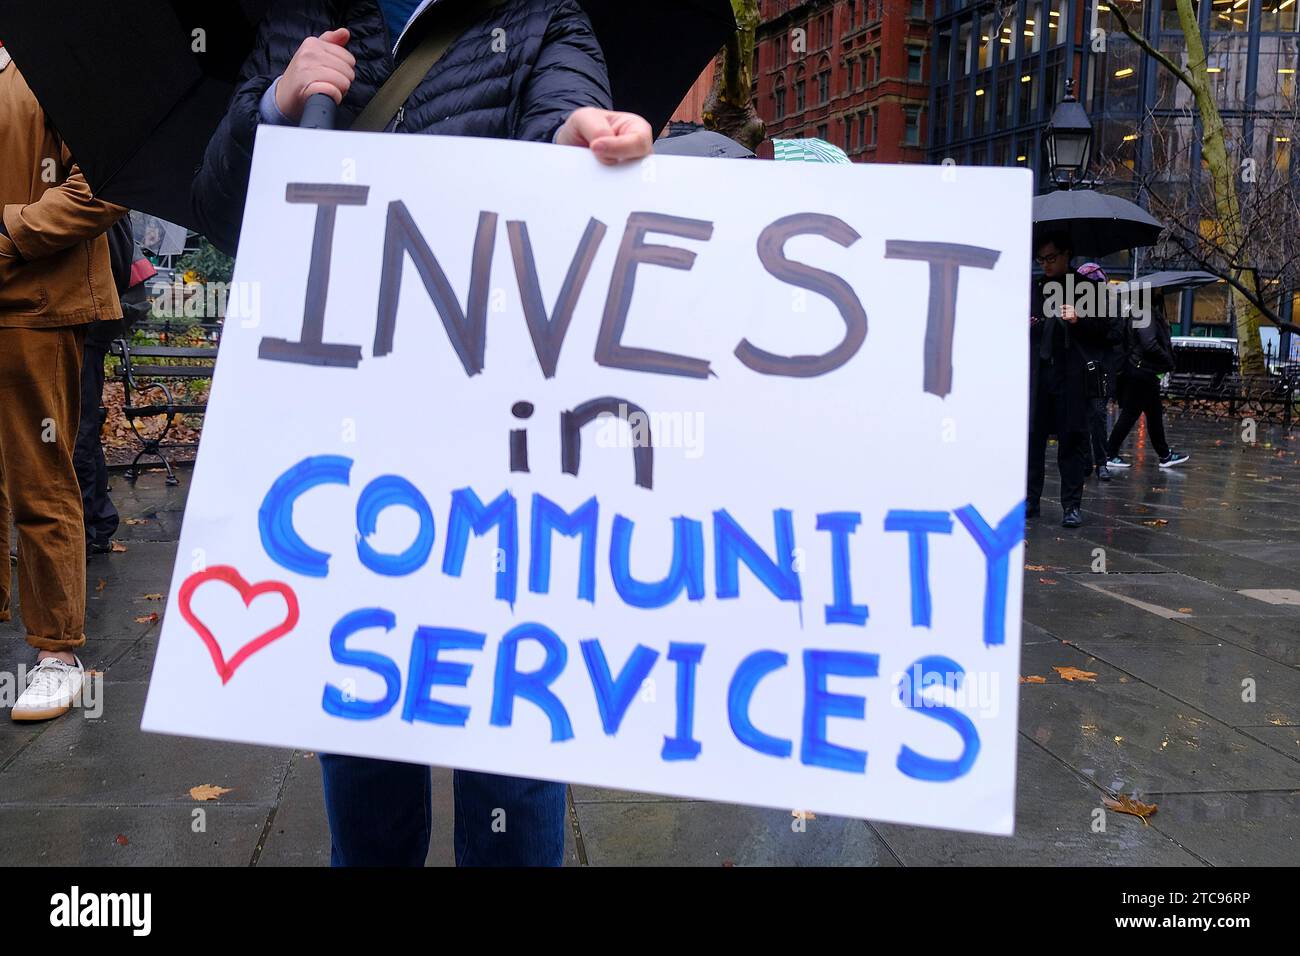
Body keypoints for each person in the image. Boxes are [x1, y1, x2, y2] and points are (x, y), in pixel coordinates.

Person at [192, 0, 653, 866]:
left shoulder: (544, 17)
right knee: (362, 733)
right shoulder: (301, 18)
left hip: (505, 447)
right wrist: (275, 111)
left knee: (512, 741)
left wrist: (575, 144)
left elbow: (565, 126)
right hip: (354, 445)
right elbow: (221, 211)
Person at [1, 42, 127, 720]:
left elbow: (103, 183)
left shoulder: (58, 62)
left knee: (39, 475)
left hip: (36, 307)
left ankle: (58, 654)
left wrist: (10, 232)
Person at [1027, 232, 1111, 528]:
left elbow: (1107, 331)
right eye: (1041, 259)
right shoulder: (1034, 288)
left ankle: (1071, 506)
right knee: (1033, 439)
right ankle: (1030, 500)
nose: (1045, 264)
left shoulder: (1089, 289)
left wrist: (1079, 319)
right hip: (1039, 374)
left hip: (1072, 376)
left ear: (1066, 255)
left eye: (1050, 258)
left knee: (1072, 439)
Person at [1104, 289, 1190, 470]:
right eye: (1157, 292)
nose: (1161, 294)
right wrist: (1168, 360)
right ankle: (1109, 453)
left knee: (1154, 413)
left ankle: (1165, 455)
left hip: (1142, 371)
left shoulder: (1141, 312)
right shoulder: (1144, 313)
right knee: (1130, 414)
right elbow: (1149, 343)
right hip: (1142, 371)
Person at [1075, 261, 1123, 482]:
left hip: (1100, 369)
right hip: (1080, 367)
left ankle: (1101, 462)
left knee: (1097, 416)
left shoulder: (1110, 306)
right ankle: (1086, 460)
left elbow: (1115, 334)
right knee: (1082, 417)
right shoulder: (1074, 304)